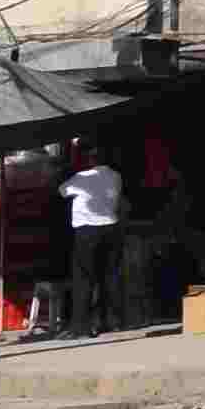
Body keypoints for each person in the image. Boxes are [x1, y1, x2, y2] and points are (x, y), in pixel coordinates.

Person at [61, 142, 123, 336]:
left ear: (90, 159)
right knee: (109, 275)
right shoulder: (116, 176)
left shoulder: (81, 177)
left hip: (87, 230)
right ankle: (112, 321)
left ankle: (82, 326)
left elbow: (62, 191)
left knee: (84, 278)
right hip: (111, 227)